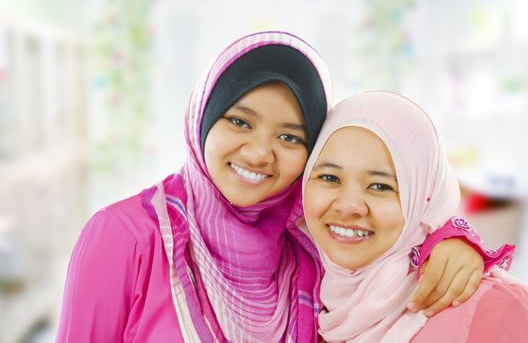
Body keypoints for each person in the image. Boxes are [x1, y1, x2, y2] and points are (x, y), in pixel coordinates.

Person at [57, 32, 488, 342]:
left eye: (289, 137)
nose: (261, 154)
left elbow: (385, 258)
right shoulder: (126, 237)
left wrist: (449, 239)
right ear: (203, 118)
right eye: (240, 121)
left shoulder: (306, 247)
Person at [302, 91, 524, 343]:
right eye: (330, 178)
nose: (349, 206)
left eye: (380, 186)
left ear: (423, 198)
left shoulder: (494, 307)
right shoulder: (299, 297)